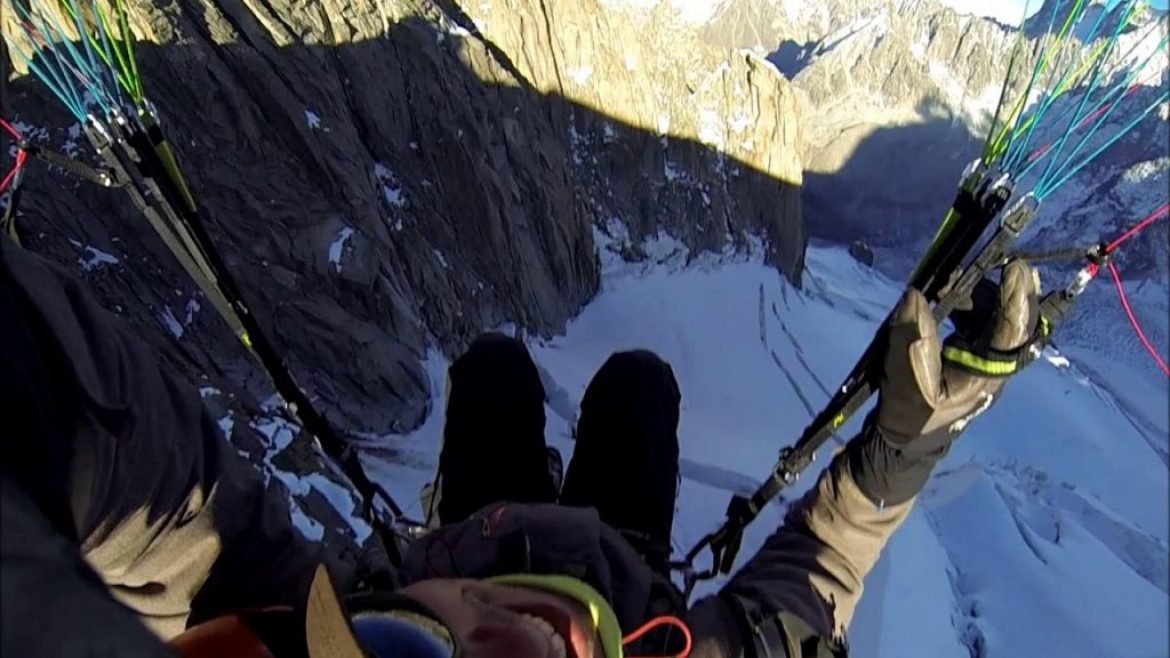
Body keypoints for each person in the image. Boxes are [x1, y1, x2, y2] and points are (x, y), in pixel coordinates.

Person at [0, 231, 1041, 657]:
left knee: (494, 368)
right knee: (638, 388)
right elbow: (815, 579)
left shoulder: (282, 601)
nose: (527, 645)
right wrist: (913, 433)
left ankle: (464, 518)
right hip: (621, 565)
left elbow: (145, 486)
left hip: (444, 552)